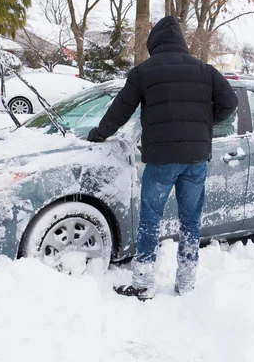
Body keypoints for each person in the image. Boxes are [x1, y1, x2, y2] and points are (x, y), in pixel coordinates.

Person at [87, 16, 237, 300]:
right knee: (191, 219)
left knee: (150, 218)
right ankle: (186, 282)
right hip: (195, 160)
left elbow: (120, 110)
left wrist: (98, 134)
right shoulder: (205, 70)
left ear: (154, 43)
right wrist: (204, 124)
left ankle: (144, 283)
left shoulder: (144, 72)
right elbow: (230, 103)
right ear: (181, 42)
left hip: (161, 160)